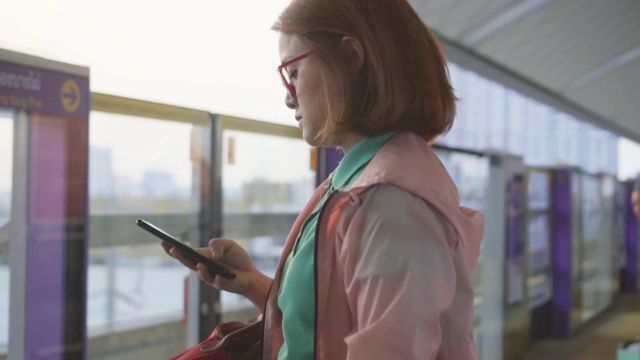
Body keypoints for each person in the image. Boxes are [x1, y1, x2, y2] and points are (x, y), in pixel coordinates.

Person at [163, 0, 485, 358]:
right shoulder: (360, 178)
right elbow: (335, 320)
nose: (288, 97)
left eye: (294, 72)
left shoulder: (389, 202)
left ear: (349, 57)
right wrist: (255, 284)